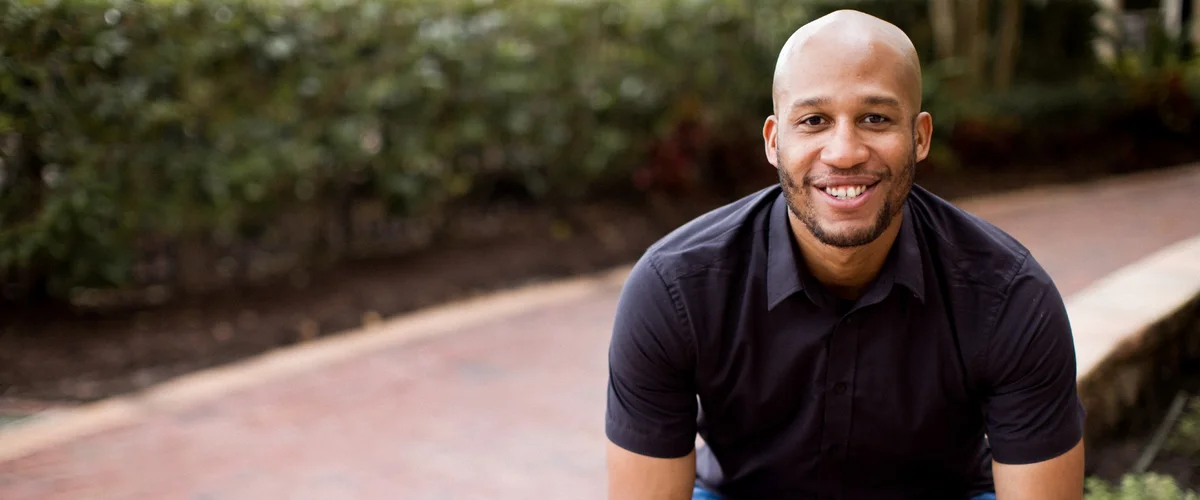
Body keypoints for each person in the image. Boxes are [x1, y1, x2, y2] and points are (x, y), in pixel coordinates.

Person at [604, 9, 1086, 500]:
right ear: (775, 142)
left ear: (920, 137)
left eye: (875, 118)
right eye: (814, 120)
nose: (844, 151)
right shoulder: (674, 290)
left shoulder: (1009, 296)